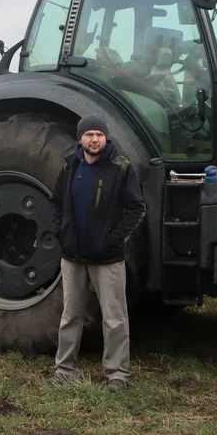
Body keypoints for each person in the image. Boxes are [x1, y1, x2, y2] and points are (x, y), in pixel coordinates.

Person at [47, 115, 146, 392]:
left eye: (99, 135)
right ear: (80, 138)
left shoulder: (120, 167)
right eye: (89, 134)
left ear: (105, 138)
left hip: (107, 258)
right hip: (73, 256)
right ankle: (65, 369)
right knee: (71, 315)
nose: (94, 139)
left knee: (114, 317)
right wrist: (62, 233)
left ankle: (117, 374)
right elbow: (55, 203)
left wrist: (114, 240)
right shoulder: (69, 166)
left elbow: (137, 208)